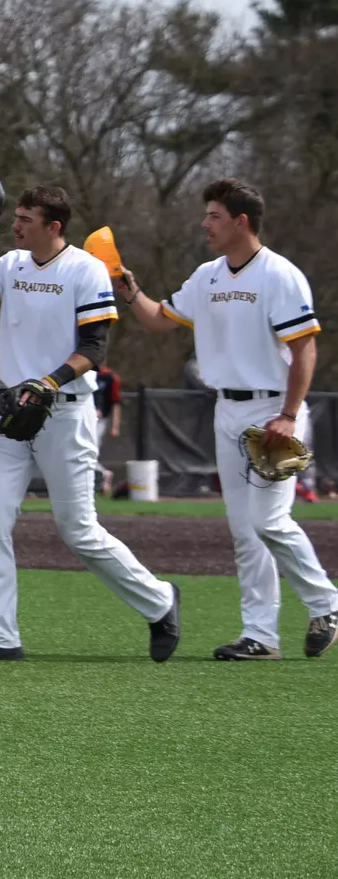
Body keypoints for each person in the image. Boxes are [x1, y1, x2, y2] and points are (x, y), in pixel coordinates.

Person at [0, 185, 181, 661]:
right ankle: (0, 636)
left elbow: (94, 349)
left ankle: (160, 600)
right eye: (17, 216)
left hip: (64, 411)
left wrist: (47, 381)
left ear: (54, 227)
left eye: (26, 218)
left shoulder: (85, 269)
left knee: (78, 530)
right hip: (12, 415)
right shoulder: (10, 265)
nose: (16, 224)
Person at [115, 177, 338, 660]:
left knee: (270, 520)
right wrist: (129, 290)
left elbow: (305, 349)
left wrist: (289, 415)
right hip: (227, 409)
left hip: (272, 408)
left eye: (214, 215)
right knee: (244, 529)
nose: (205, 223)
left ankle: (327, 602)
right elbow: (159, 321)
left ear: (241, 221)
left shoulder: (279, 275)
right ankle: (260, 635)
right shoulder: (208, 275)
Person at [94, 364, 122, 495]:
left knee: (89, 452)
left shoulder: (109, 377)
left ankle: (103, 475)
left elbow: (116, 402)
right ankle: (103, 476)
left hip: (99, 421)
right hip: (83, 418)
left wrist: (115, 426)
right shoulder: (85, 374)